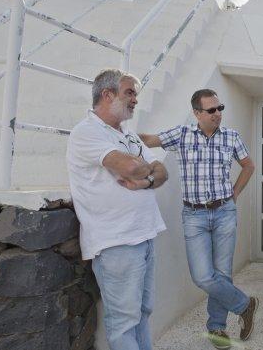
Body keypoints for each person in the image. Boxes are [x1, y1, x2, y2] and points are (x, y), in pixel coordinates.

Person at [139, 89, 257, 350]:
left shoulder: (231, 136)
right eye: (211, 110)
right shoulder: (182, 135)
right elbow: (149, 140)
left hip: (224, 211)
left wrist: (234, 193)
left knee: (222, 274)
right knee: (203, 276)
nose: (218, 114)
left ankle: (217, 328)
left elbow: (249, 165)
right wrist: (118, 134)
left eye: (220, 108)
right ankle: (245, 305)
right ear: (197, 113)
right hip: (194, 215)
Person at [66, 69, 168, 350]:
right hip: (117, 243)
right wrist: (140, 167)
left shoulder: (127, 134)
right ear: (107, 94)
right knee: (124, 322)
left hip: (144, 236)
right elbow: (131, 166)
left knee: (142, 314)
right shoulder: (86, 132)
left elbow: (162, 172)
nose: (136, 99)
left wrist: (145, 178)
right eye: (130, 92)